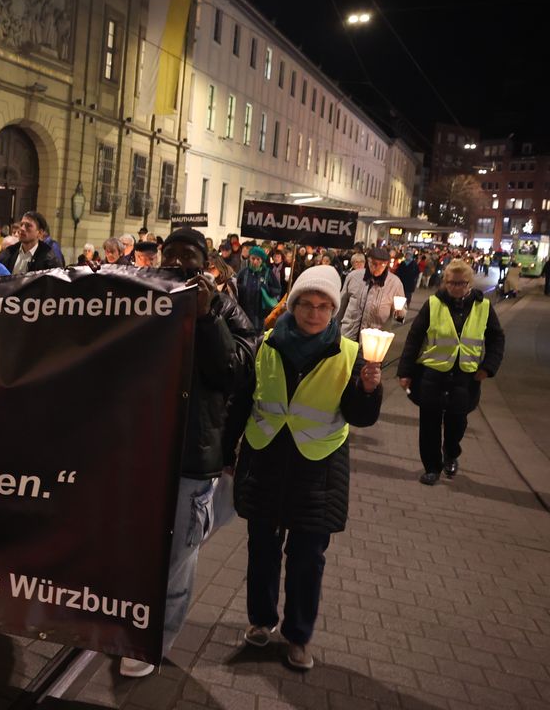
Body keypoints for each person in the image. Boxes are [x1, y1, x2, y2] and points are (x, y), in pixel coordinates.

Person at [228, 265, 382, 671]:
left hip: (319, 470)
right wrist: (227, 452)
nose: (314, 313)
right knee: (262, 549)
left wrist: (369, 388)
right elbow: (244, 401)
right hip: (265, 461)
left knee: (307, 557)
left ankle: (298, 636)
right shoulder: (266, 345)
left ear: (334, 310)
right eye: (306, 305)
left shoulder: (351, 354)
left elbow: (360, 417)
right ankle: (262, 621)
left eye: (323, 306)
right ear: (293, 306)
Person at [120, 227, 256, 678]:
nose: (179, 263)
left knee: (177, 558)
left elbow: (232, 374)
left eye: (190, 256)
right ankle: (127, 622)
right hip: (143, 451)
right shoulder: (145, 298)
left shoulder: (227, 311)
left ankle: (155, 643)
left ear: (208, 264)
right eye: (172, 254)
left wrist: (205, 317)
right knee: (136, 549)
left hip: (193, 456)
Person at [397, 259, 505, 485]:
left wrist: (488, 367)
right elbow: (414, 338)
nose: (456, 287)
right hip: (433, 374)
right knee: (429, 423)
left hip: (466, 376)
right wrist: (405, 372)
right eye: (452, 283)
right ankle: (432, 467)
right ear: (445, 282)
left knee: (458, 421)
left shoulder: (483, 306)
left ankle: (451, 452)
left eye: (461, 283)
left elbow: (496, 338)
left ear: (470, 283)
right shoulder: (433, 303)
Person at [339, 247, 406, 341]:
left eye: (382, 264)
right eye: (374, 264)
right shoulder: (354, 277)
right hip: (348, 335)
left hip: (374, 341)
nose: (378, 267)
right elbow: (342, 304)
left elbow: (401, 313)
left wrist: (400, 313)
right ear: (368, 261)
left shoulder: (395, 283)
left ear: (387, 264)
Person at [0, 211, 62, 275]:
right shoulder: (10, 252)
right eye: (21, 224)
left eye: (28, 226)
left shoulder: (48, 259)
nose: (22, 229)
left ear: (40, 233)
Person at [235, 246, 282, 333]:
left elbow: (277, 289)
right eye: (253, 258)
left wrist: (266, 289)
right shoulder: (244, 272)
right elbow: (235, 288)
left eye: (258, 259)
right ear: (249, 258)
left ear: (262, 261)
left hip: (259, 316)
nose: (255, 262)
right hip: (244, 313)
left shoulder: (267, 273)